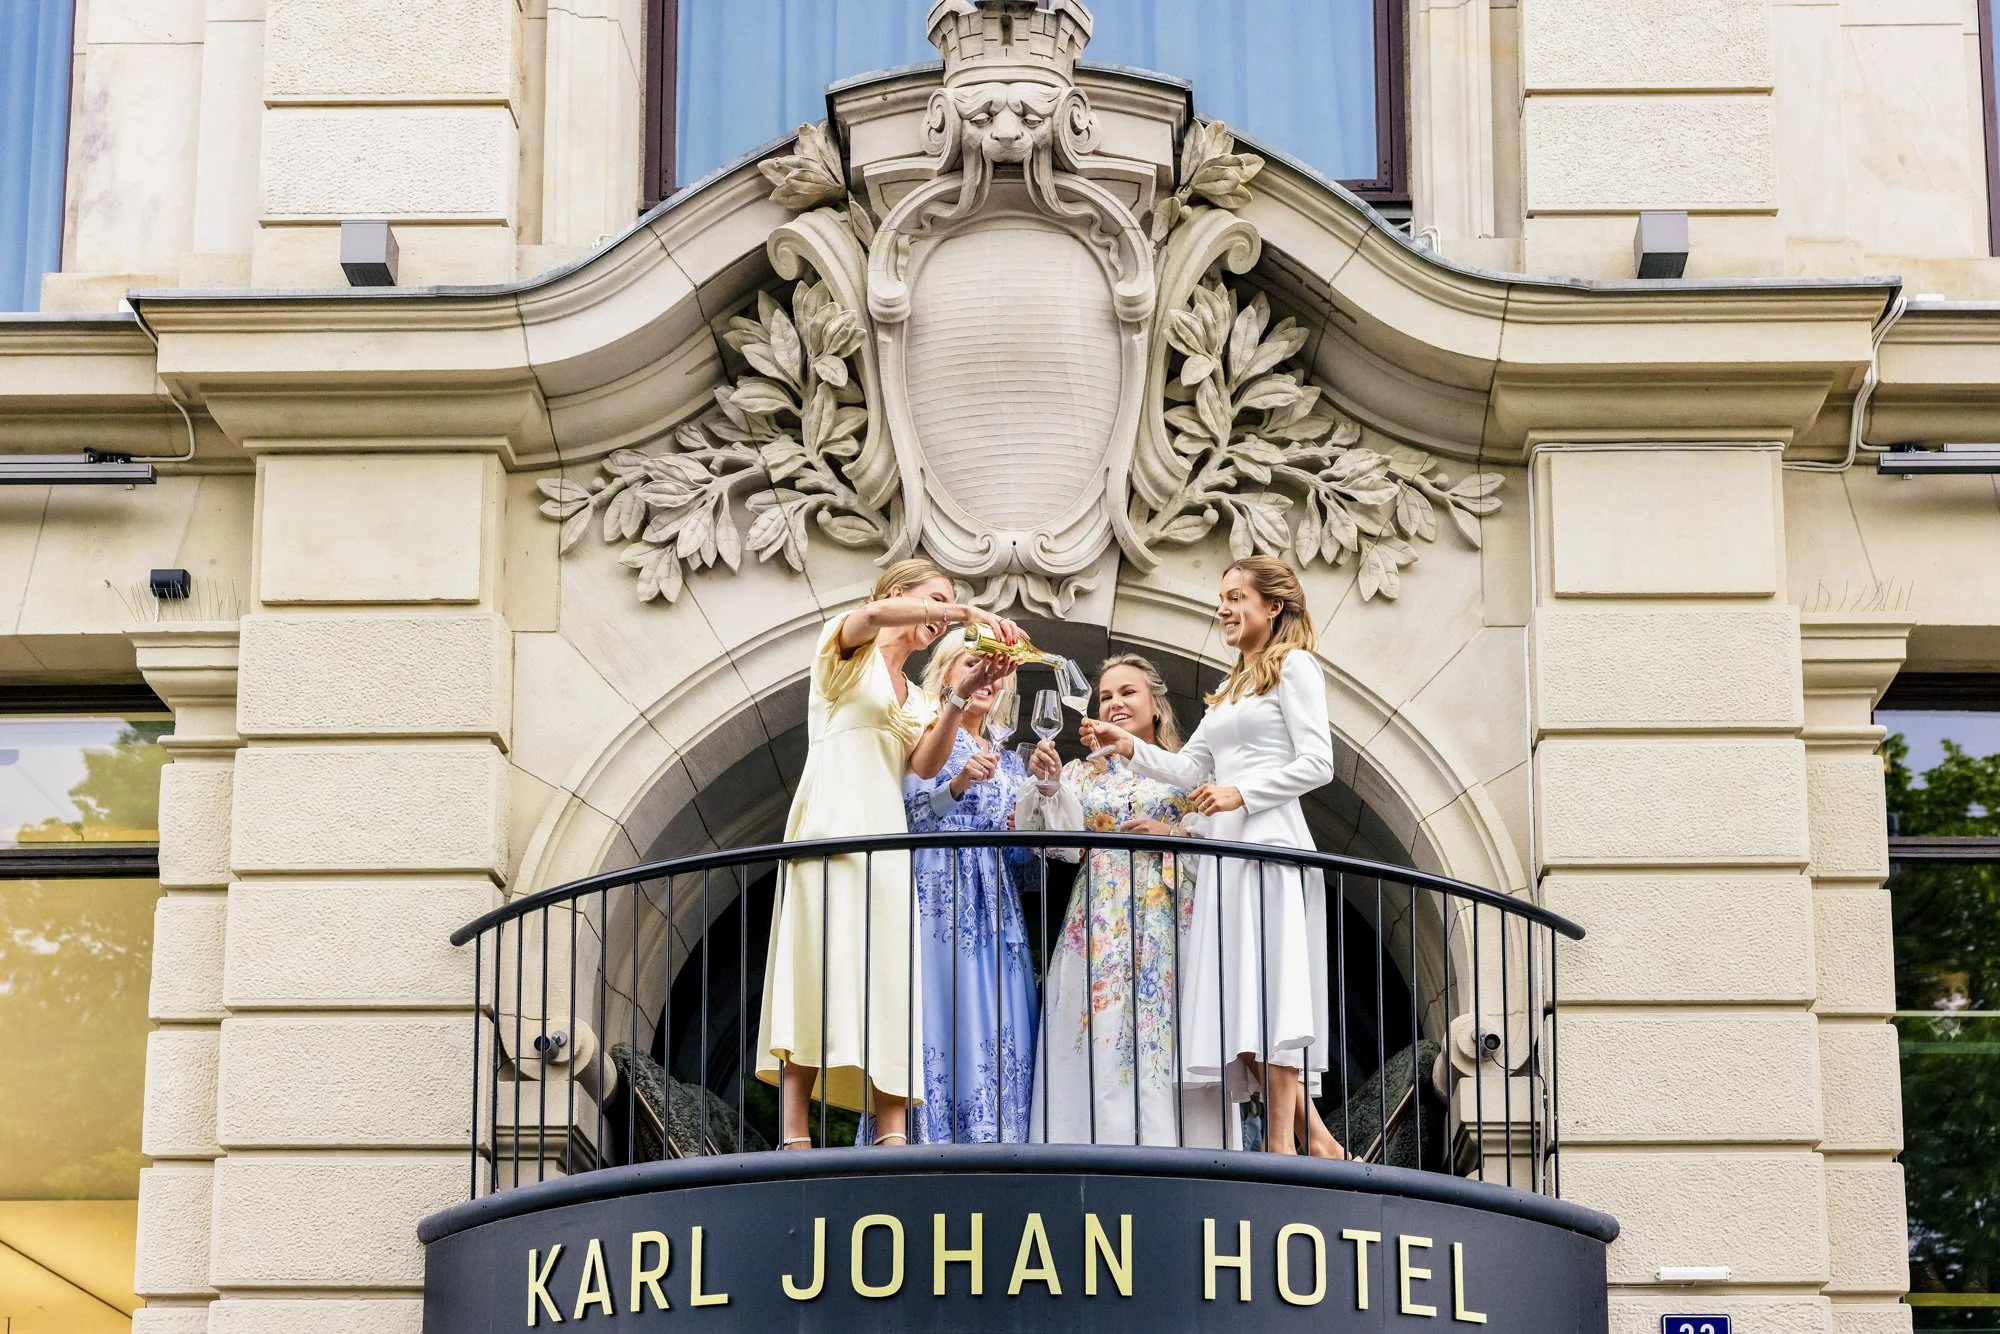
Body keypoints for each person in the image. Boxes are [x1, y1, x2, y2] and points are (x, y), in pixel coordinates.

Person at [1080, 557, 1346, 1157]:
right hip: (1227, 856)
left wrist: (1242, 793)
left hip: (1270, 844)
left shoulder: (1293, 667)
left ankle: (1284, 1145)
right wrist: (1128, 746)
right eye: (1220, 598)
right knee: (1237, 997)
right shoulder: (1231, 688)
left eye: (1235, 597)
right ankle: (1318, 1142)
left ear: (1272, 606)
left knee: (1273, 992)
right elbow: (1188, 769)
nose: (1222, 608)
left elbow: (1318, 763)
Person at [754, 558, 1020, 1148]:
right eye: (933, 598)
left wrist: (961, 695)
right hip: (831, 827)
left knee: (887, 977)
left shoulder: (915, 698)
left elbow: (924, 764)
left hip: (888, 842)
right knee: (816, 965)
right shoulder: (846, 653)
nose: (941, 610)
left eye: (948, 601)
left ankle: (893, 1133)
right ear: (902, 595)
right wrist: (964, 611)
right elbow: (871, 615)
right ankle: (795, 1134)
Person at [1016, 653, 1226, 1147]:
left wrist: (1171, 831)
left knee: (1166, 1034)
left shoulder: (1187, 770)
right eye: (1105, 696)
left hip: (1169, 918)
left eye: (1127, 692)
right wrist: (1047, 786)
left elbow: (1221, 836)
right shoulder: (1083, 775)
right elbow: (1057, 845)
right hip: (1099, 921)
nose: (1114, 703)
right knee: (1100, 1033)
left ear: (1156, 704)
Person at [888, 640, 1040, 1144]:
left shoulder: (1011, 760)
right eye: (975, 666)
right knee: (943, 1012)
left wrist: (1035, 817)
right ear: (947, 673)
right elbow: (908, 818)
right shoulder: (925, 730)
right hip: (941, 898)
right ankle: (929, 1141)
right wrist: (956, 788)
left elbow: (1023, 868)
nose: (987, 680)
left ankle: (999, 1142)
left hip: (997, 909)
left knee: (1001, 1020)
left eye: (998, 675)